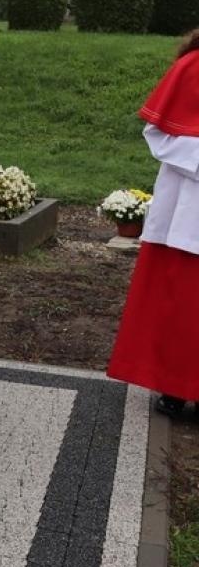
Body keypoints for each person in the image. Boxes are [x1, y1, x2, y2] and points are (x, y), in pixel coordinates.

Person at [107, 30, 199, 417]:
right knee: (180, 301)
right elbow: (158, 132)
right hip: (188, 204)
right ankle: (175, 387)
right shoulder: (191, 67)